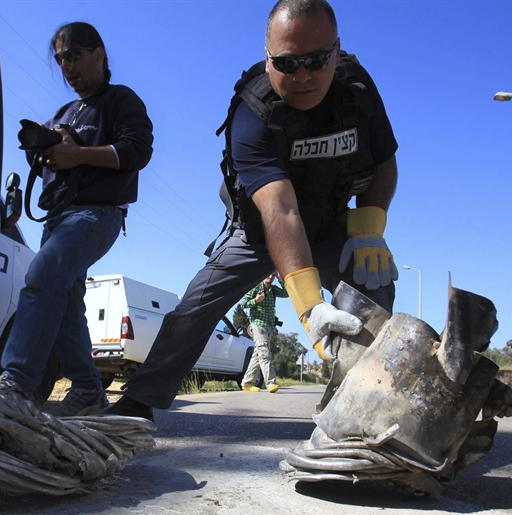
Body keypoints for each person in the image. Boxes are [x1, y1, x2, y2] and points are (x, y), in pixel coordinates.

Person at [108, 0, 398, 421]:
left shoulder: (358, 90)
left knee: (374, 284)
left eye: (316, 61)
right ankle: (139, 401)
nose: (302, 76)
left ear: (336, 52)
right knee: (197, 305)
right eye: (286, 63)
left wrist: (370, 227)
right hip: (262, 228)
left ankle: (362, 406)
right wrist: (308, 305)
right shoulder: (253, 114)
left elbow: (385, 162)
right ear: (268, 60)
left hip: (332, 222)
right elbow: (280, 210)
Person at [0, 22, 153, 417]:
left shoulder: (120, 100)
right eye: (61, 59)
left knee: (42, 277)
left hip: (97, 213)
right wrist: (46, 151)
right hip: (58, 217)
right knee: (66, 302)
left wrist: (78, 154)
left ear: (99, 52)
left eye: (74, 56)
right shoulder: (64, 112)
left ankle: (15, 382)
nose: (67, 67)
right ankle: (87, 389)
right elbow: (55, 162)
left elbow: (137, 151)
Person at [239, 272, 287, 393]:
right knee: (265, 353)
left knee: (257, 355)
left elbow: (287, 293)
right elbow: (243, 303)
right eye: (268, 275)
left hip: (269, 326)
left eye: (272, 275)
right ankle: (270, 383)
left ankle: (247, 383)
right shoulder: (256, 288)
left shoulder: (274, 289)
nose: (270, 277)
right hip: (258, 324)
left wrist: (280, 279)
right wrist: (255, 300)